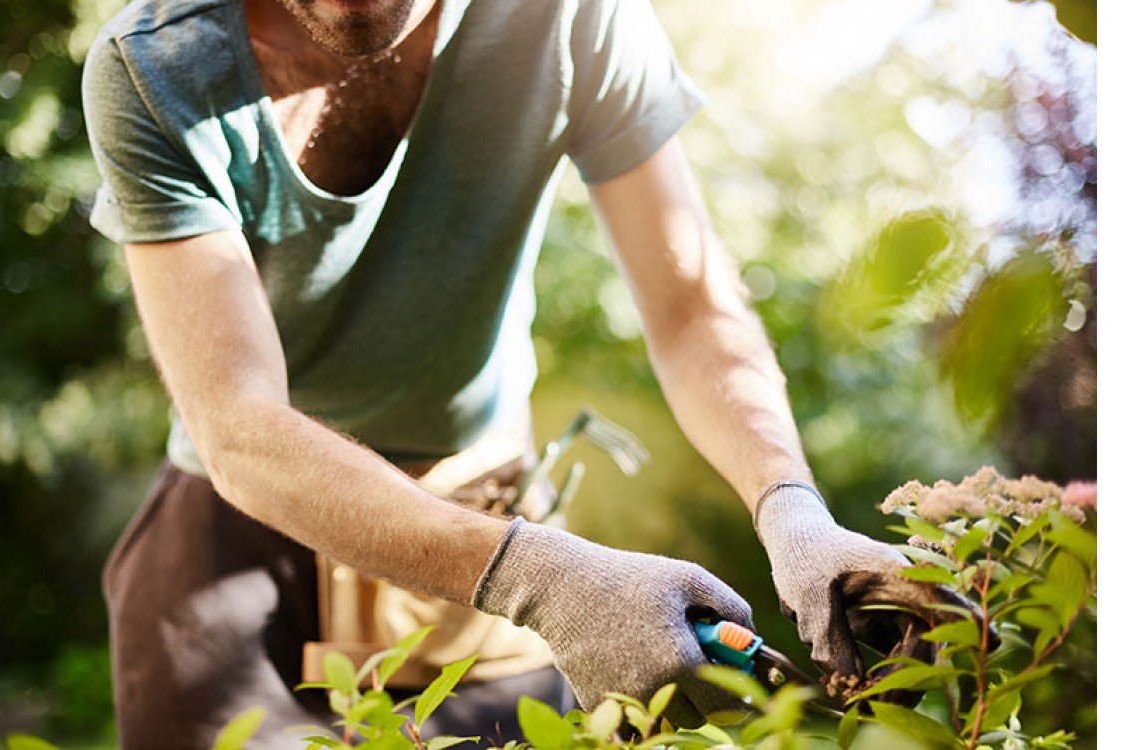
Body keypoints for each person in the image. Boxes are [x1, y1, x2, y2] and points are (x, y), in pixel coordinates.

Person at [81, 0, 961, 747]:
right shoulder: (156, 67)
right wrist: (540, 578)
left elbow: (691, 303)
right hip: (236, 537)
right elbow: (236, 423)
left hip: (486, 503)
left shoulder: (567, 16)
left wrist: (791, 511)